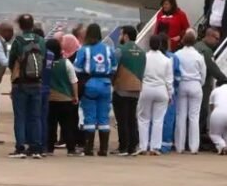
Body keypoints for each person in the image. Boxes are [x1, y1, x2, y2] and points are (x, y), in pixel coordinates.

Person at [74, 23, 118, 157]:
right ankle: (103, 149)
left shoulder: (84, 50)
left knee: (90, 117)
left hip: (90, 84)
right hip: (105, 84)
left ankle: (88, 148)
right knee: (104, 117)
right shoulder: (108, 49)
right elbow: (114, 68)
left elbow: (77, 69)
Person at [8, 14, 45, 159]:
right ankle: (36, 148)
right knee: (35, 117)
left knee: (20, 116)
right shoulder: (41, 41)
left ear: (21, 26)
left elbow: (12, 62)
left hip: (21, 83)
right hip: (36, 82)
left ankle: (20, 147)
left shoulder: (18, 41)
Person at [137, 35, 173, 155]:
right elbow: (169, 80)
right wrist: (170, 94)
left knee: (143, 118)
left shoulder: (144, 58)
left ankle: (143, 146)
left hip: (146, 88)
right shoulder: (167, 60)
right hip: (161, 90)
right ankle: (155, 147)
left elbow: (140, 75)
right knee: (158, 120)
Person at [194, 27, 227, 144]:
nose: (217, 41)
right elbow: (213, 69)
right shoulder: (206, 51)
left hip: (192, 85)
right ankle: (196, 140)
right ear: (209, 36)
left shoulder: (196, 47)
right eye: (216, 38)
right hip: (202, 86)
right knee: (202, 112)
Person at [112, 25, 145, 156]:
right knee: (132, 118)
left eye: (121, 34)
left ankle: (123, 147)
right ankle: (133, 146)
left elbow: (114, 69)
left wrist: (113, 82)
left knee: (122, 119)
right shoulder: (142, 52)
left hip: (121, 88)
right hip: (136, 88)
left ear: (125, 36)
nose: (120, 37)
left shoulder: (120, 50)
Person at [46, 38, 81, 156]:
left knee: (51, 125)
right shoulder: (66, 63)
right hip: (65, 99)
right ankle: (71, 149)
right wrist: (75, 96)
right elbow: (74, 81)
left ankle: (49, 148)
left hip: (50, 99)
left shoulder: (46, 63)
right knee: (67, 125)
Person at [174, 30, 206, 154]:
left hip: (182, 84)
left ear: (182, 41)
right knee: (194, 117)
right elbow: (203, 73)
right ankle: (194, 147)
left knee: (181, 116)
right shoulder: (199, 56)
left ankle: (179, 146)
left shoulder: (177, 54)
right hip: (195, 84)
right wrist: (199, 83)